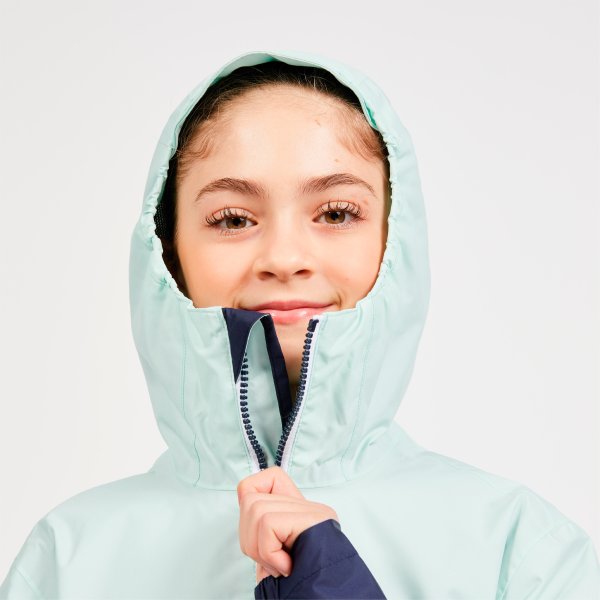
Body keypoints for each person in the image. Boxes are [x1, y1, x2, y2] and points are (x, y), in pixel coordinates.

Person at [1, 49, 599, 600]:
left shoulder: (521, 553)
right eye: (233, 219)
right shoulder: (66, 562)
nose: (284, 258)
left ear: (394, 242)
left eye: (336, 213)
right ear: (168, 253)